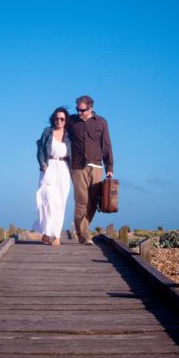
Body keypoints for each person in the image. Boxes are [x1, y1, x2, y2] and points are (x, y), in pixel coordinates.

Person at [67, 95, 113, 245]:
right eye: (77, 110)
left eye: (83, 110)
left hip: (97, 166)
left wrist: (109, 167)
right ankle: (84, 235)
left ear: (90, 108)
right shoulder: (72, 121)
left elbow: (106, 145)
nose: (79, 113)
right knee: (82, 200)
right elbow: (58, 129)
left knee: (93, 202)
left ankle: (83, 229)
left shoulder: (101, 122)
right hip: (77, 166)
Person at [32, 107, 73, 247]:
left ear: (66, 120)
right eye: (56, 118)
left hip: (64, 168)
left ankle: (56, 235)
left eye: (62, 118)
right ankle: (46, 230)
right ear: (53, 119)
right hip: (49, 167)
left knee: (60, 203)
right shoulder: (47, 132)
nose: (59, 121)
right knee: (47, 200)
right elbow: (40, 151)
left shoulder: (69, 135)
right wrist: (43, 165)